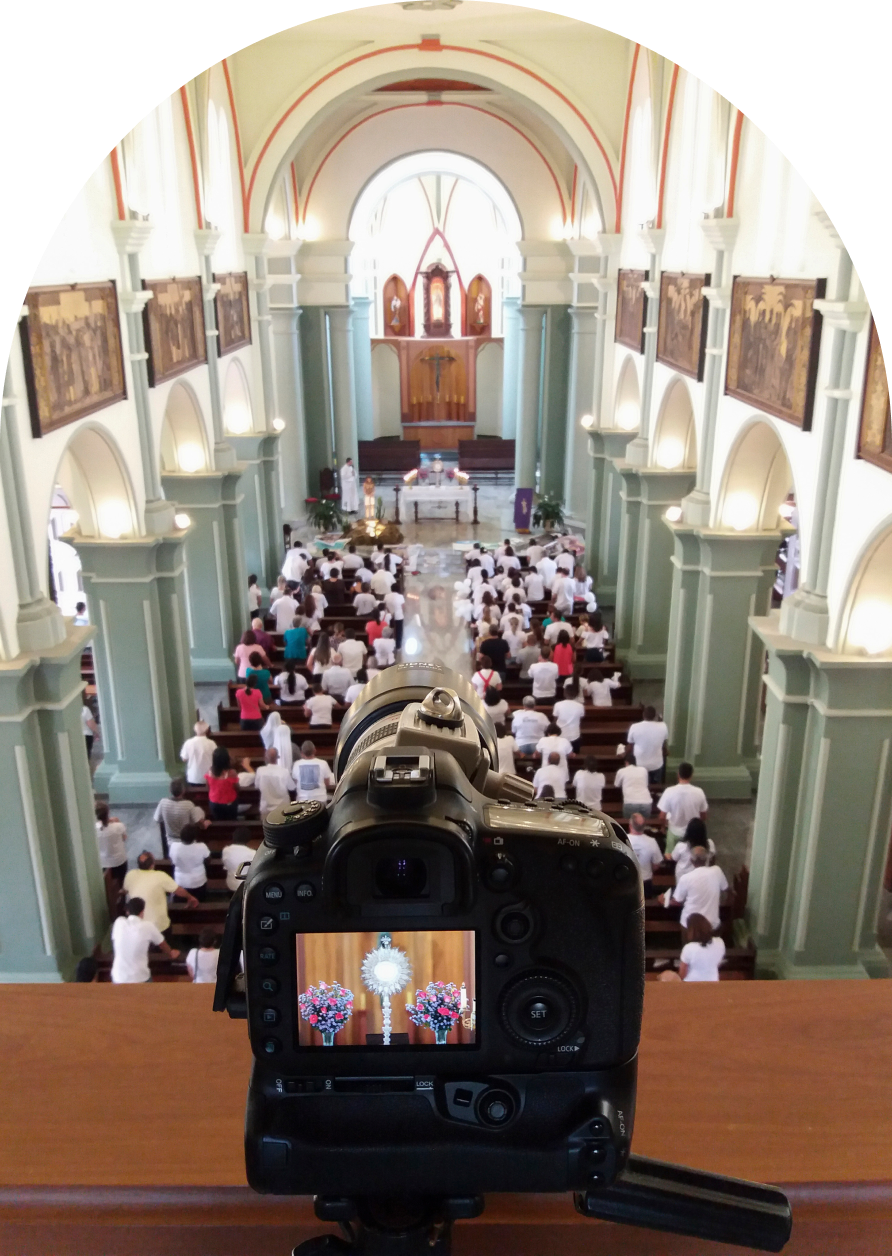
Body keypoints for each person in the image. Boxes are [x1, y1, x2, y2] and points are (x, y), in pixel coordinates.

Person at [123, 852, 198, 935]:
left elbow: (125, 890)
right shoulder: (161, 876)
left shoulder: (130, 875)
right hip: (159, 927)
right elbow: (178, 890)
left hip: (137, 927)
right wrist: (190, 897)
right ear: (152, 865)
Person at [111, 898, 180, 983]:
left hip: (118, 977)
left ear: (127, 912)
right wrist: (170, 953)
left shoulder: (118, 923)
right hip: (140, 977)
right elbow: (162, 944)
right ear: (142, 912)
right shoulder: (148, 926)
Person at [668, 849, 729, 937]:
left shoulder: (685, 878)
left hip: (689, 924)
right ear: (707, 859)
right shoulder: (717, 871)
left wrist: (666, 901)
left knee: (689, 945)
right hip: (711, 923)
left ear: (691, 860)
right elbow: (726, 888)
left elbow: (677, 901)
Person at [657, 763, 709, 854]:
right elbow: (703, 815)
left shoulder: (669, 791)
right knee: (692, 856)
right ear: (691, 775)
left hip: (674, 831)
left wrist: (663, 827)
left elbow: (662, 816)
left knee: (670, 855)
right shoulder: (699, 792)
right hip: (692, 833)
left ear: (678, 774)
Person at [153, 779, 207, 854]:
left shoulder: (163, 803)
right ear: (183, 791)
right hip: (189, 841)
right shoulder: (188, 805)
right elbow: (198, 822)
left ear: (170, 790)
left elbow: (157, 819)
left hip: (171, 843)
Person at [205, 746, 253, 820]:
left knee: (218, 821)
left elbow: (208, 787)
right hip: (229, 804)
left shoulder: (209, 772)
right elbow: (237, 788)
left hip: (214, 803)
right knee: (231, 820)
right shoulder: (231, 773)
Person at [168, 823, 212, 902]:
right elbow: (208, 860)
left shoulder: (174, 846)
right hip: (198, 881)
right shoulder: (202, 846)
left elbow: (172, 861)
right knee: (200, 901)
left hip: (181, 881)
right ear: (195, 837)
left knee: (182, 903)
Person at [626, 706, 669, 784]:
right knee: (655, 786)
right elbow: (663, 745)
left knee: (640, 785)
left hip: (640, 763)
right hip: (656, 764)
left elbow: (630, 746)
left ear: (643, 715)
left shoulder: (634, 727)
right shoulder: (663, 726)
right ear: (655, 716)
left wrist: (623, 753)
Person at [678, 913, 726, 981]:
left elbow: (682, 972)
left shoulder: (689, 948)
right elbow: (718, 962)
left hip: (691, 983)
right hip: (713, 981)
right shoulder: (719, 942)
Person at [627, 812, 664, 898]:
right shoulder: (652, 842)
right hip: (645, 883)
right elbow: (656, 865)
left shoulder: (622, 840)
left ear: (630, 826)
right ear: (644, 827)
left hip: (627, 881)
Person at [669, 818, 717, 882]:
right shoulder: (710, 844)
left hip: (683, 878)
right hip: (703, 878)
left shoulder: (681, 846)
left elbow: (674, 858)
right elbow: (712, 862)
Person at [95, 802, 128, 889]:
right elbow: (124, 838)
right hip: (119, 861)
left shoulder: (94, 828)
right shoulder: (118, 826)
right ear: (108, 812)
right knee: (122, 883)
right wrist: (117, 821)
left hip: (103, 863)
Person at [254, 747, 294, 817]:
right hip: (282, 808)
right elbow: (292, 787)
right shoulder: (284, 771)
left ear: (266, 757)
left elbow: (257, 785)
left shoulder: (260, 771)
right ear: (278, 757)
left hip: (266, 809)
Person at [614, 751, 653, 819]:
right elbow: (646, 784)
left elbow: (616, 785)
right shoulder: (643, 770)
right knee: (644, 824)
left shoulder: (621, 771)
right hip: (646, 802)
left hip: (630, 802)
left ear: (626, 762)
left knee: (630, 823)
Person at [180, 721, 217, 786]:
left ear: (195, 730)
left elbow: (184, 759)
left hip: (193, 777)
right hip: (208, 776)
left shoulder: (188, 743)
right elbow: (216, 758)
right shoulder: (212, 743)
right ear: (207, 730)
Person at [221, 827, 257, 892]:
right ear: (248, 839)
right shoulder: (253, 853)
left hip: (231, 884)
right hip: (246, 887)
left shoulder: (226, 850)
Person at [553, 680, 586, 751]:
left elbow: (555, 720)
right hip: (575, 736)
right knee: (575, 755)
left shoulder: (558, 705)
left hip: (561, 736)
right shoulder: (580, 706)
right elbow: (580, 719)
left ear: (564, 693)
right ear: (576, 694)